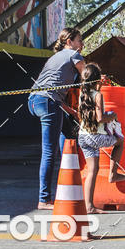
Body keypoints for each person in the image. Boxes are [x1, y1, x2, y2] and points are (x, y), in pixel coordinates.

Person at [28, 27, 85, 209]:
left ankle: (68, 183)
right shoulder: (73, 54)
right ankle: (44, 199)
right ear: (69, 41)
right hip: (48, 102)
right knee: (48, 152)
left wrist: (71, 111)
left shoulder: (54, 57)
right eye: (79, 40)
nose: (81, 44)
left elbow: (54, 90)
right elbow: (88, 76)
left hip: (35, 101)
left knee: (68, 136)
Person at [77, 63, 125, 213]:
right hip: (95, 137)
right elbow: (100, 118)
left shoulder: (82, 94)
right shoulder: (98, 96)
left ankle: (89, 206)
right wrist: (112, 115)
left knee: (93, 170)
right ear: (98, 79)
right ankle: (113, 173)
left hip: (83, 137)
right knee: (120, 141)